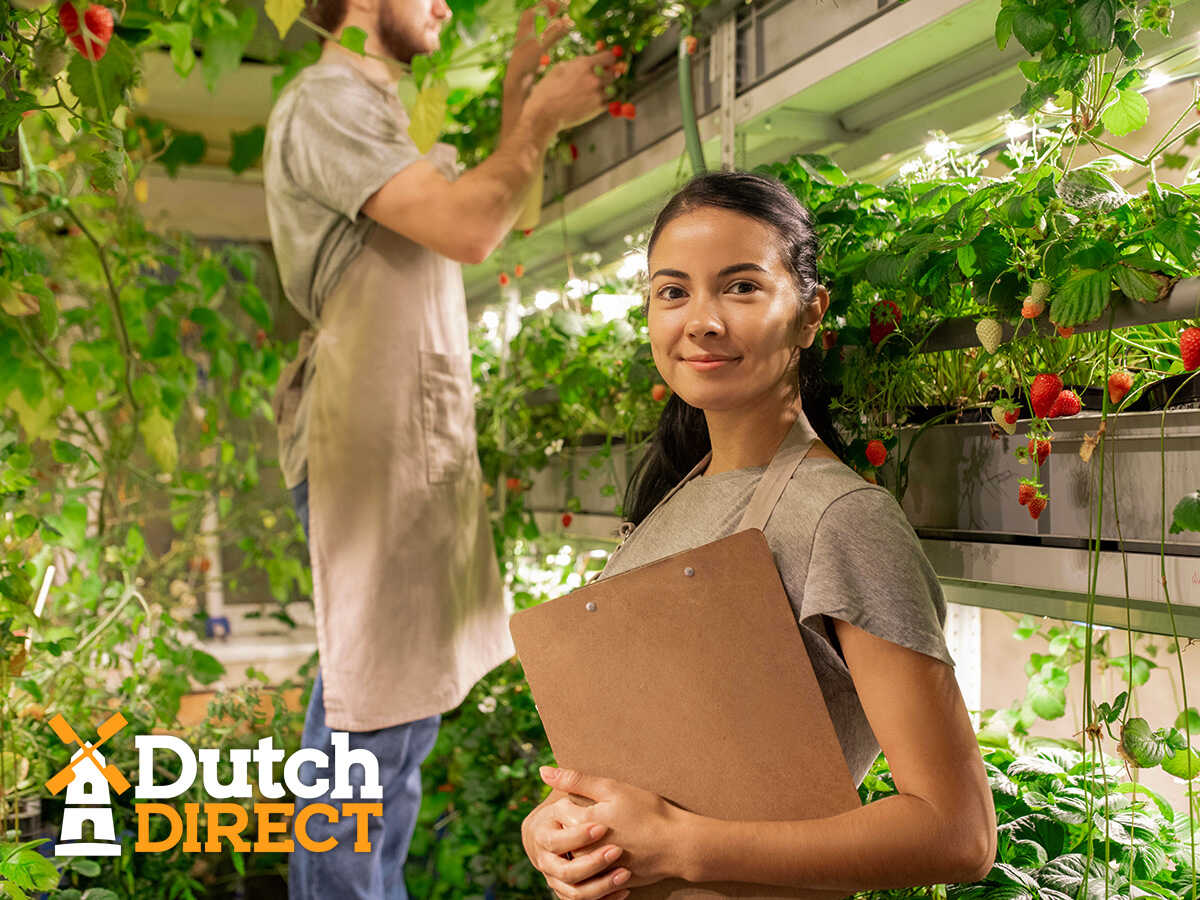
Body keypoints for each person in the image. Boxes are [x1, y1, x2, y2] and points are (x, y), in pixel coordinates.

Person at [518, 171, 997, 899]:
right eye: (672, 292)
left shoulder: (840, 519)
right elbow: (653, 760)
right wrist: (557, 827)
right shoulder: (675, 499)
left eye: (740, 288)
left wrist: (683, 848)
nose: (700, 320)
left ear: (810, 315)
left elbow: (957, 833)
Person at [261, 0, 618, 895]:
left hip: (403, 445)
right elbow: (467, 226)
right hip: (367, 438)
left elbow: (477, 205)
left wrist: (515, 100)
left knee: (398, 721)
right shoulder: (324, 99)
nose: (446, 5)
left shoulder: (373, 112)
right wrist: (537, 119)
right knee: (369, 712)